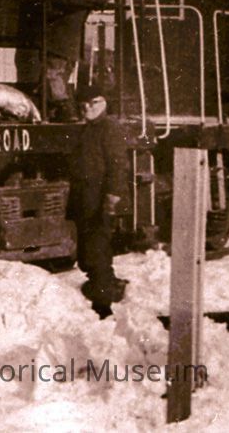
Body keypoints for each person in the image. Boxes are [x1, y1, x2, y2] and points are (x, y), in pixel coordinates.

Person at [70, 82, 130, 311]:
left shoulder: (109, 128)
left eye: (93, 103)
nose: (87, 108)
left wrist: (113, 196)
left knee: (97, 247)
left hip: (100, 199)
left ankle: (103, 305)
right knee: (91, 249)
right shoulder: (88, 129)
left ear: (103, 103)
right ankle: (104, 287)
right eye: (82, 104)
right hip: (87, 199)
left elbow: (118, 165)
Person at [43, 0, 115, 121]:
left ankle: (54, 110)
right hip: (59, 27)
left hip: (74, 30)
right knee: (55, 70)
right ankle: (62, 108)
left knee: (65, 70)